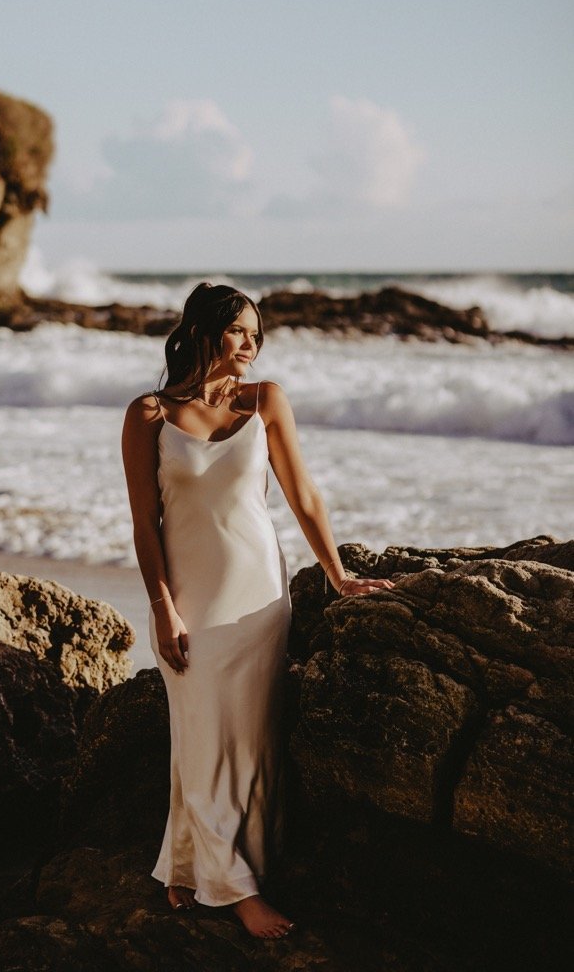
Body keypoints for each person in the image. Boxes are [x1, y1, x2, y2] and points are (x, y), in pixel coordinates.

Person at [121, 281, 395, 940]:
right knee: (201, 730)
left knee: (247, 738)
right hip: (191, 598)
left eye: (257, 333)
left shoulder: (265, 400)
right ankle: (236, 890)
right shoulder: (150, 414)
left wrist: (338, 575)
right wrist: (163, 609)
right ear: (204, 332)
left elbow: (303, 496)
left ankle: (189, 866)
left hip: (259, 595)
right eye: (240, 330)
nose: (252, 343)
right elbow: (143, 525)